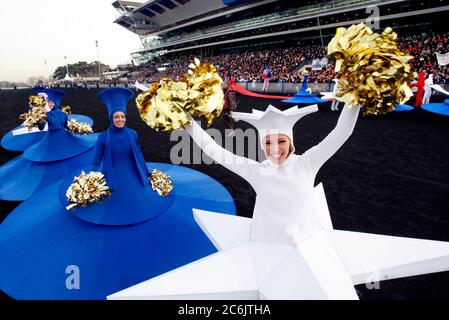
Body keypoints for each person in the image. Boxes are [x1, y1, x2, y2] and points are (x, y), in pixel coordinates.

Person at [185, 102, 360, 245]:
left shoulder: (307, 163)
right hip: (266, 246)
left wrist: (357, 96)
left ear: (291, 142)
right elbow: (215, 151)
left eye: (281, 141)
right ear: (262, 145)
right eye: (268, 143)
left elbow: (342, 132)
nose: (275, 149)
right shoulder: (257, 171)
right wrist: (186, 121)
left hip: (308, 243)